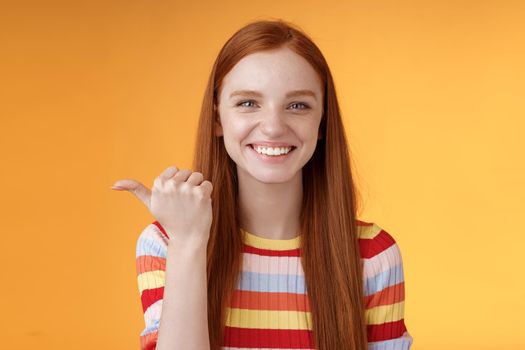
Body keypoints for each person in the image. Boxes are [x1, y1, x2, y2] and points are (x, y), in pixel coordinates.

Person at [111, 19, 413, 350]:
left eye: (297, 105)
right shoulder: (166, 243)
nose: (272, 127)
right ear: (217, 119)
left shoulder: (373, 256)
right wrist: (188, 242)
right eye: (248, 103)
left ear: (322, 122)